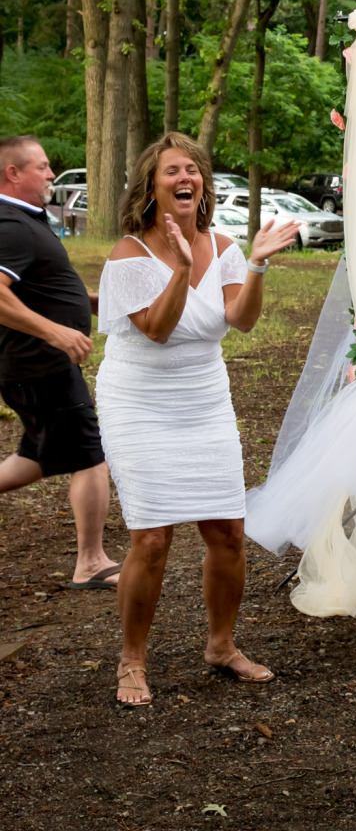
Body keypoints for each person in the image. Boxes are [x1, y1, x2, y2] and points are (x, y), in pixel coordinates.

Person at [95, 133, 300, 706]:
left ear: (202, 185)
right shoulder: (129, 254)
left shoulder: (225, 246)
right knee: (153, 538)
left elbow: (242, 321)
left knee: (227, 532)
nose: (185, 178)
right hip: (138, 401)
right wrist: (181, 268)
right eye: (171, 171)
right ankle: (131, 660)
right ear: (151, 186)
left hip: (204, 400)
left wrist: (255, 263)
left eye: (193, 170)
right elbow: (157, 329)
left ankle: (221, 645)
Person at [0, 135, 121, 589]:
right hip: (39, 363)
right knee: (92, 457)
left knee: (34, 454)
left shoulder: (25, 221)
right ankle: (90, 561)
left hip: (36, 364)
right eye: (44, 167)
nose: (52, 175)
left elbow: (37, 287)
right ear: (14, 173)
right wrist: (54, 330)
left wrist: (83, 303)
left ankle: (91, 558)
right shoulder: (10, 224)